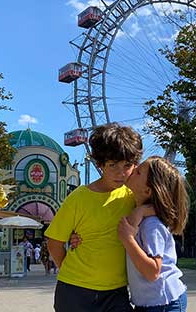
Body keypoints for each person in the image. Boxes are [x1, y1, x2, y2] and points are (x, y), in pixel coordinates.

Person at [45, 123, 145, 312]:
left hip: (117, 292)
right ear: (99, 163)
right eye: (112, 165)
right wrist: (69, 269)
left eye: (127, 165)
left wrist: (143, 210)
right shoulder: (79, 198)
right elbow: (54, 242)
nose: (121, 173)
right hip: (75, 290)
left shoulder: (133, 197)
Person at [118, 156, 189, 311]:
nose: (133, 168)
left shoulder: (151, 225)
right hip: (152, 302)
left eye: (139, 172)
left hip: (163, 303)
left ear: (147, 190)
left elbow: (152, 272)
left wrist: (128, 239)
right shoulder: (140, 212)